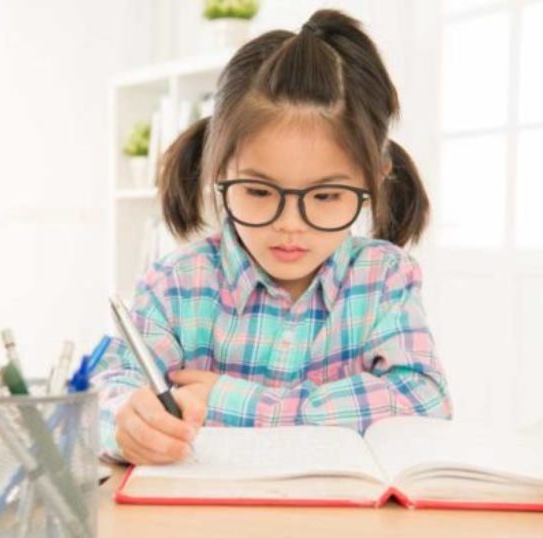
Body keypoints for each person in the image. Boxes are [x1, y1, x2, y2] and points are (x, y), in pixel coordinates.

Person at [97, 9, 452, 465]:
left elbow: (424, 401)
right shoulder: (177, 285)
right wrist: (127, 423)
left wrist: (241, 402)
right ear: (217, 169)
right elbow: (110, 390)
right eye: (259, 191)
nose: (290, 224)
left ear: (376, 181)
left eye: (325, 195)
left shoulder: (383, 278)